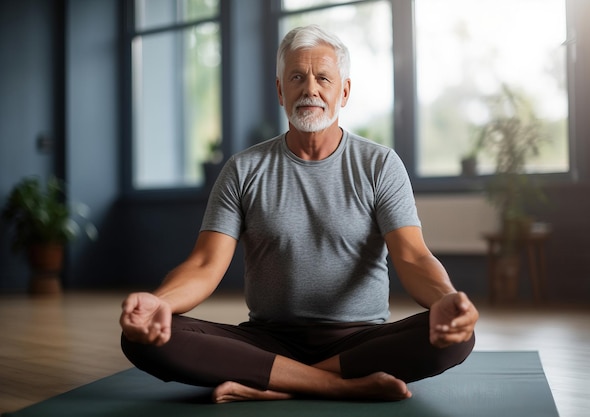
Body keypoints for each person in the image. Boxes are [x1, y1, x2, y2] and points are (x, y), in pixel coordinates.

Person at [120, 24, 478, 404]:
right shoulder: (243, 169)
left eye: (323, 77)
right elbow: (205, 264)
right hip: (268, 340)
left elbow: (412, 256)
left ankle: (276, 384)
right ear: (280, 91)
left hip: (357, 340)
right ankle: (337, 386)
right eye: (296, 77)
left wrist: (445, 299)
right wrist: (159, 302)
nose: (310, 88)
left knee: (455, 337)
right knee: (143, 337)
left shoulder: (380, 164)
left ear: (344, 91)